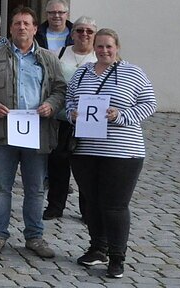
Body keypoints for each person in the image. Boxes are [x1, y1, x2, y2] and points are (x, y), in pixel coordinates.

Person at [0, 6, 66, 258]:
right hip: (5, 132)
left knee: (35, 188)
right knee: (2, 186)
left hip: (37, 132)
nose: (22, 27)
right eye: (17, 23)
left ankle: (34, 236)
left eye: (27, 23)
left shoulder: (48, 58)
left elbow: (60, 90)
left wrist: (52, 104)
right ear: (11, 28)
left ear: (35, 28)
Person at [66, 28, 156, 279]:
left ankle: (117, 257)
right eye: (100, 46)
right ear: (93, 48)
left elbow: (149, 103)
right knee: (92, 202)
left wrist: (121, 116)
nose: (104, 51)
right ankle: (98, 248)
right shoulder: (82, 72)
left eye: (109, 46)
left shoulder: (133, 72)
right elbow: (70, 100)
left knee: (115, 205)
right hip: (85, 150)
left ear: (117, 47)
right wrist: (73, 113)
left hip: (122, 151)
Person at [44, 16, 98, 220]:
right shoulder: (60, 53)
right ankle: (55, 205)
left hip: (89, 120)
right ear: (72, 33)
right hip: (61, 117)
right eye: (79, 30)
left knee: (86, 165)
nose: (84, 34)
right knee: (57, 163)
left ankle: (88, 209)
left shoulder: (99, 55)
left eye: (89, 31)